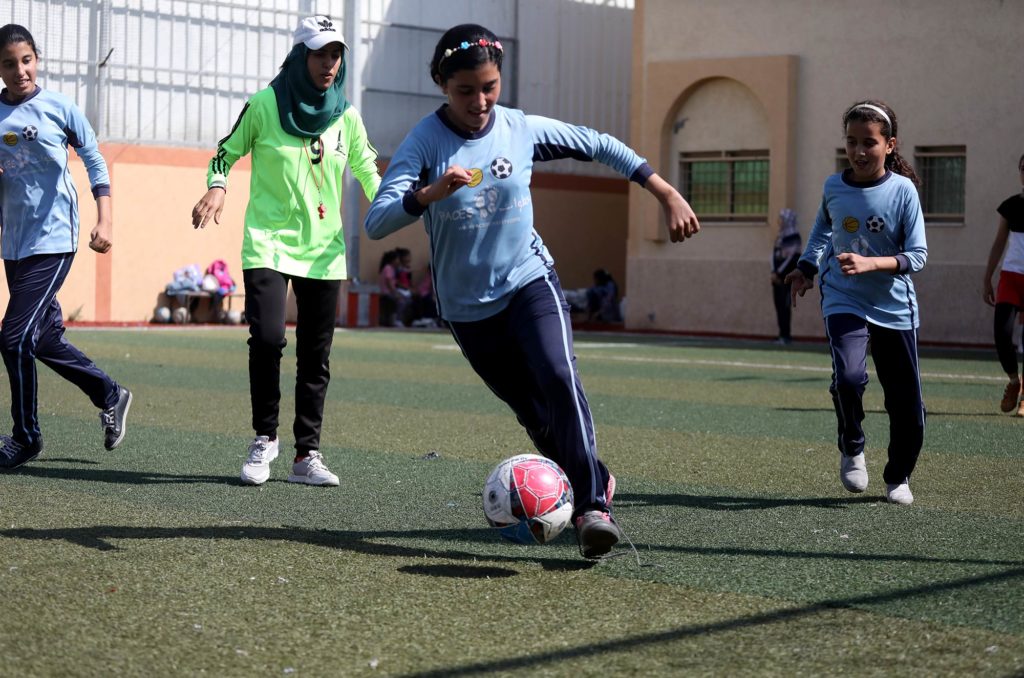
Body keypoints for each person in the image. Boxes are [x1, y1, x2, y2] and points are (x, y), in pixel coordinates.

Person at [364, 24, 700, 558]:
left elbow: (599, 144)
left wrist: (664, 190)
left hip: (528, 281)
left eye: (490, 86)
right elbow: (377, 221)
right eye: (465, 91)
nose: (480, 101)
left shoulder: (520, 129)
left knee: (558, 374)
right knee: (535, 416)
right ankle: (597, 476)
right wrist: (429, 192)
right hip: (468, 310)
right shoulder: (425, 142)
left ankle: (594, 509)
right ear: (441, 85)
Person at [190, 15, 380, 487]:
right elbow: (225, 152)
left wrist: (400, 206)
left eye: (336, 54)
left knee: (316, 355)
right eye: (320, 54)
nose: (329, 64)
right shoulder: (263, 105)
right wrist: (217, 186)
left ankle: (306, 456)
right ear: (300, 56)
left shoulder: (347, 116)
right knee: (270, 339)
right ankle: (264, 439)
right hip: (268, 244)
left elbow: (369, 170)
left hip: (324, 251)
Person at [0, 25, 133, 470]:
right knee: (43, 339)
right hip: (14, 244)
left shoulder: (59, 107)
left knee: (13, 336)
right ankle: (110, 393)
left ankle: (25, 437)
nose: (19, 70)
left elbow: (95, 159)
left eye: (26, 60)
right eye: (8, 63)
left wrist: (105, 219)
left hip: (55, 238)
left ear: (37, 59)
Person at [786, 100, 927, 505]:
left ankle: (898, 475)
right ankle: (852, 443)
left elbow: (916, 256)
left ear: (890, 145)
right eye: (852, 142)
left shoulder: (903, 191)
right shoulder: (834, 186)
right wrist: (807, 269)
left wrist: (871, 263)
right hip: (843, 297)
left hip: (895, 307)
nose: (860, 151)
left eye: (869, 142)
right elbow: (820, 232)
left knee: (908, 404)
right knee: (849, 378)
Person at [983, 153, 1024, 416]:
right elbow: (999, 242)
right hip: (1011, 277)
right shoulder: (1010, 206)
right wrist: (987, 276)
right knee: (1001, 332)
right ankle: (1013, 380)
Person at [770, 208, 801, 344]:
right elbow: (774, 254)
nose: (780, 222)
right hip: (776, 277)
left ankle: (786, 335)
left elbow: (791, 258)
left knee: (785, 305)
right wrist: (773, 271)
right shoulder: (780, 236)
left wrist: (779, 273)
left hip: (786, 278)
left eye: (782, 219)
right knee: (778, 305)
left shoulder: (794, 237)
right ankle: (781, 333)